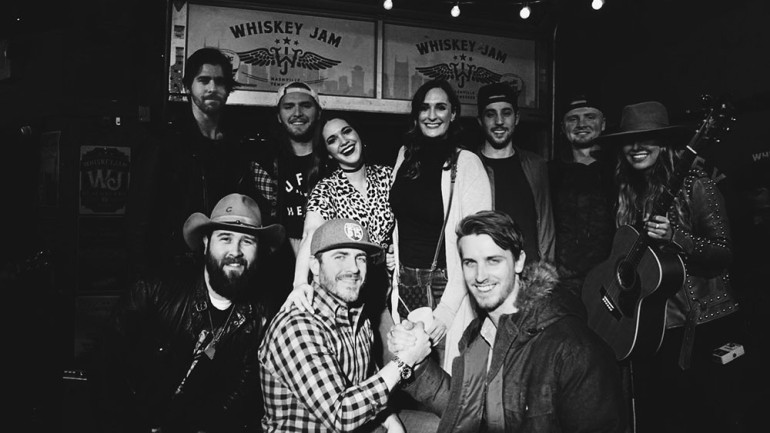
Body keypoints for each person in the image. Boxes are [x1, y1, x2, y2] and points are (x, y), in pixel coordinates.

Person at [388, 210, 626, 432]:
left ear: (519, 261)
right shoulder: (478, 335)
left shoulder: (573, 350)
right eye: (470, 262)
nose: (480, 276)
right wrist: (417, 363)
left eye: (493, 260)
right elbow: (465, 410)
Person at [601, 101, 743, 433]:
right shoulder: (627, 189)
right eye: (628, 140)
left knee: (702, 417)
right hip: (654, 323)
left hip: (701, 322)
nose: (636, 148)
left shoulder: (696, 183)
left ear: (664, 143)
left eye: (646, 138)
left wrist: (676, 236)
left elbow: (725, 252)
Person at [91, 193, 285, 433]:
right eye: (225, 238)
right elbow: (105, 367)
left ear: (259, 251)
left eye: (247, 241)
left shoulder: (263, 317)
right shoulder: (154, 293)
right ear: (206, 242)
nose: (235, 251)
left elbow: (237, 399)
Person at [259, 218, 434, 432]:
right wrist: (405, 360)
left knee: (440, 426)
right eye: (340, 256)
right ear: (315, 265)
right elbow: (341, 415)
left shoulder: (357, 315)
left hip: (360, 425)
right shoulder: (297, 325)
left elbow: (370, 382)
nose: (353, 268)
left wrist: (390, 420)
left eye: (360, 258)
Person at [127, 47, 258, 280]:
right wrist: (142, 282)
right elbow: (140, 219)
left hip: (223, 269)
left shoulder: (236, 148)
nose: (212, 88)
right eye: (203, 80)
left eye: (219, 81)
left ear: (228, 90)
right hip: (173, 272)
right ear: (188, 86)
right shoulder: (164, 143)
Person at [388, 79, 492, 372]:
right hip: (404, 283)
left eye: (440, 107)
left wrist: (446, 311)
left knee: (445, 381)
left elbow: (477, 246)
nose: (432, 115)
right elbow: (399, 219)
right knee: (409, 377)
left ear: (454, 114)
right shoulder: (404, 156)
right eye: (424, 108)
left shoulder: (467, 163)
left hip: (445, 286)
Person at [285, 114, 396, 357]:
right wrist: (300, 283)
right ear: (328, 153)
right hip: (345, 292)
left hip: (385, 290)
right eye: (332, 140)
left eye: (346, 131)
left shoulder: (389, 177)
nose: (343, 141)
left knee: (397, 362)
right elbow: (310, 234)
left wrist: (395, 252)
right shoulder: (327, 189)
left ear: (358, 134)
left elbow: (407, 221)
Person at [474, 82, 554, 264]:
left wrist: (547, 270)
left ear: (517, 118)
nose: (499, 121)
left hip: (532, 279)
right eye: (490, 114)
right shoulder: (470, 166)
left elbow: (547, 225)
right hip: (489, 275)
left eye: (506, 113)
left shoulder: (537, 165)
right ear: (480, 121)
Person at [548, 94, 616, 296]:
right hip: (563, 283)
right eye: (573, 119)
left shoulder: (619, 170)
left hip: (612, 280)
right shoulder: (548, 172)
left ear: (603, 124)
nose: (581, 124)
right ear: (562, 127)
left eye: (590, 117)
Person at [251, 81, 326, 255]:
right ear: (279, 116)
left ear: (318, 113)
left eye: (306, 106)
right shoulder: (264, 165)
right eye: (289, 107)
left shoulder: (332, 162)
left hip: (326, 254)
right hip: (278, 259)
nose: (297, 113)